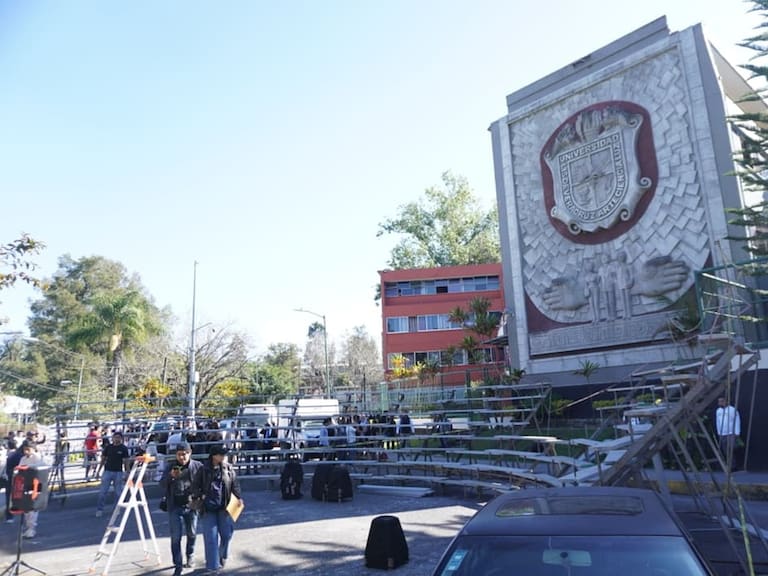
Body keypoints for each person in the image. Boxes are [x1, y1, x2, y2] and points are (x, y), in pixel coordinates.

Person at [160, 441, 203, 576]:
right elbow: (162, 484)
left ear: (190, 453)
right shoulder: (170, 466)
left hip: (191, 505)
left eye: (185, 454)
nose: (182, 457)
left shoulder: (197, 466)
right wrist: (170, 476)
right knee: (175, 537)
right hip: (175, 506)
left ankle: (190, 555)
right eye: (179, 454)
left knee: (192, 533)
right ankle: (178, 565)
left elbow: (204, 483)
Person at [200, 444, 242, 573]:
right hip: (208, 507)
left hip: (225, 507)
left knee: (226, 534)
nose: (224, 456)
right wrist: (199, 497)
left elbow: (235, 484)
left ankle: (222, 555)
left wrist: (238, 497)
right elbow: (195, 485)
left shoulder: (228, 468)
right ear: (214, 456)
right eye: (221, 454)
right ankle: (213, 566)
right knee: (211, 538)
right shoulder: (203, 469)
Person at [95, 431, 131, 517]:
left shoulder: (123, 448)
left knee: (118, 492)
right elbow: (103, 459)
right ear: (113, 438)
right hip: (107, 471)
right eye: (115, 437)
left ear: (121, 439)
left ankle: (116, 509)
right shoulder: (108, 447)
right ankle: (99, 509)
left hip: (118, 472)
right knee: (103, 492)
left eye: (119, 437)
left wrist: (127, 472)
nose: (117, 439)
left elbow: (126, 461)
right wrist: (98, 471)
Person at [18, 440, 44, 538]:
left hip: (35, 485)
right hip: (25, 484)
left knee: (32, 508)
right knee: (26, 508)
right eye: (24, 449)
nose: (26, 452)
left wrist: (28, 468)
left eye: (28, 449)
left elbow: (39, 470)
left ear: (32, 449)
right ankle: (28, 528)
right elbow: (20, 468)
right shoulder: (23, 459)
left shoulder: (37, 458)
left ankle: (31, 528)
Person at [715, 396, 741, 468]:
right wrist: (719, 432)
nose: (720, 403)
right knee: (725, 450)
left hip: (731, 432)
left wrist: (737, 432)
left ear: (726, 401)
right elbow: (717, 422)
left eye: (721, 401)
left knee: (732, 448)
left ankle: (733, 465)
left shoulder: (732, 409)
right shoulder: (718, 411)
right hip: (722, 433)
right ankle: (731, 465)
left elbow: (737, 420)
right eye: (719, 401)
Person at [3, 443, 24, 523]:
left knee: (9, 497)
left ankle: (9, 516)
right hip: (14, 478)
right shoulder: (20, 456)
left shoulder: (11, 454)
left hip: (8, 477)